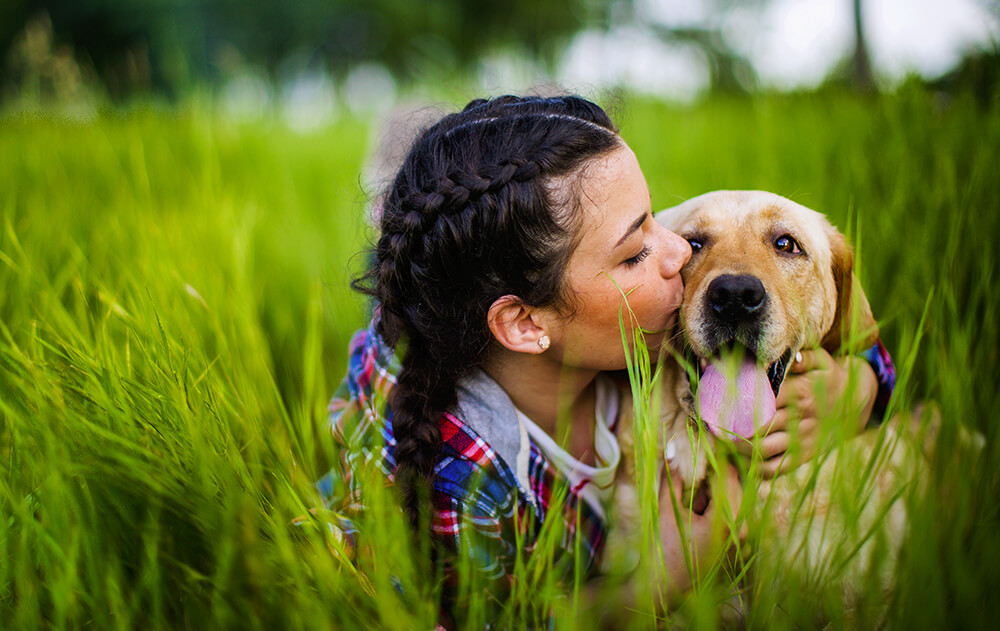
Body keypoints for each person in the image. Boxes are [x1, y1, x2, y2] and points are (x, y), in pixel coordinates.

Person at [310, 95, 893, 626]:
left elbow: (855, 330)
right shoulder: (463, 481)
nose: (680, 257)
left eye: (656, 223)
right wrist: (658, 580)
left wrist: (861, 387)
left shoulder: (621, 326)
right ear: (527, 323)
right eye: (638, 252)